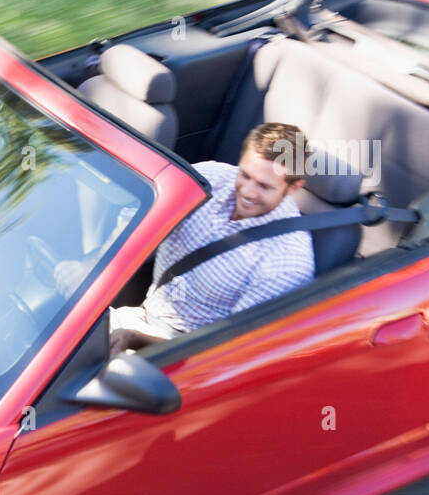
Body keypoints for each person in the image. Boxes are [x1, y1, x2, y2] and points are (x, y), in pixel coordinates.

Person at [58, 122, 316, 354]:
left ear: (294, 187)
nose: (247, 191)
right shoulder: (210, 178)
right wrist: (93, 268)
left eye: (264, 186)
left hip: (179, 359)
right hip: (133, 318)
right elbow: (137, 219)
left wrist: (136, 339)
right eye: (245, 175)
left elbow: (228, 352)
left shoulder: (287, 263)